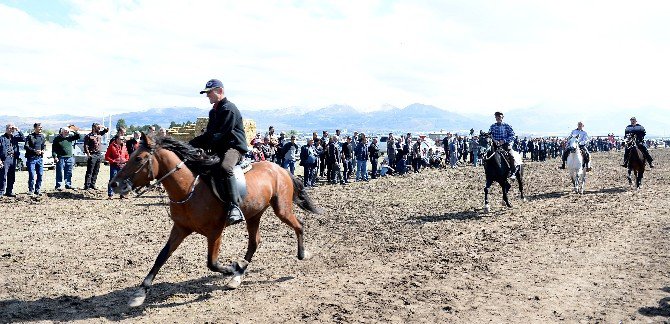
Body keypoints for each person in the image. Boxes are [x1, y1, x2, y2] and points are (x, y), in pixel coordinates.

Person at [189, 79, 249, 226]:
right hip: (220, 147)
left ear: (220, 91)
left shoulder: (228, 109)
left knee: (225, 167)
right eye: (206, 93)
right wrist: (190, 145)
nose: (207, 95)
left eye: (209, 92)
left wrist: (205, 143)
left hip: (234, 147)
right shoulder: (213, 112)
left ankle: (235, 207)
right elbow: (209, 134)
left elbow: (221, 134)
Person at [489, 111, 517, 178]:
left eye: (499, 117)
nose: (498, 118)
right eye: (496, 117)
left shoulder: (507, 126)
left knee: (511, 155)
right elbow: (490, 135)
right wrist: (494, 140)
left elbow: (513, 136)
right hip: (495, 145)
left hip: (505, 144)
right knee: (488, 155)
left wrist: (504, 141)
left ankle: (513, 171)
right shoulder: (492, 126)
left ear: (502, 117)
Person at [52, 125, 81, 190]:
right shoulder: (57, 139)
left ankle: (68, 184)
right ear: (62, 132)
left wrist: (74, 130)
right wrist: (55, 157)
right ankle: (58, 185)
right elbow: (53, 149)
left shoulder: (70, 137)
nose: (67, 133)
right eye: (65, 131)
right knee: (59, 172)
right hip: (61, 158)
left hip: (70, 157)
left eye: (68, 131)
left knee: (69, 172)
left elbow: (79, 136)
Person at [0, 124, 25, 197]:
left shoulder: (15, 138)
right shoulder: (2, 138)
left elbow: (24, 139)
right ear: (6, 129)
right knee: (3, 176)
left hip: (13, 158)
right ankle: (1, 192)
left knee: (12, 176)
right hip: (5, 159)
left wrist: (18, 129)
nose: (11, 130)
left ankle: (9, 191)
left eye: (12, 129)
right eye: (10, 128)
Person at [83, 122, 109, 190]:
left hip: (98, 154)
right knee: (90, 171)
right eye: (97, 127)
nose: (99, 128)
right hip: (92, 154)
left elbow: (106, 130)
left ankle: (93, 184)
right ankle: (87, 185)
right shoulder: (88, 136)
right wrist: (88, 154)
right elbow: (86, 146)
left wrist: (102, 126)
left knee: (96, 170)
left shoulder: (99, 134)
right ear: (94, 127)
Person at [24, 123, 47, 195]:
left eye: (41, 127)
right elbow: (26, 146)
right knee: (32, 174)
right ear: (35, 128)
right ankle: (31, 190)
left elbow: (44, 146)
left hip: (39, 159)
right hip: (31, 159)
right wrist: (35, 151)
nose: (41, 129)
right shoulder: (30, 136)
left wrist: (43, 150)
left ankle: (38, 189)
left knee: (40, 174)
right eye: (39, 127)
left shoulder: (42, 136)